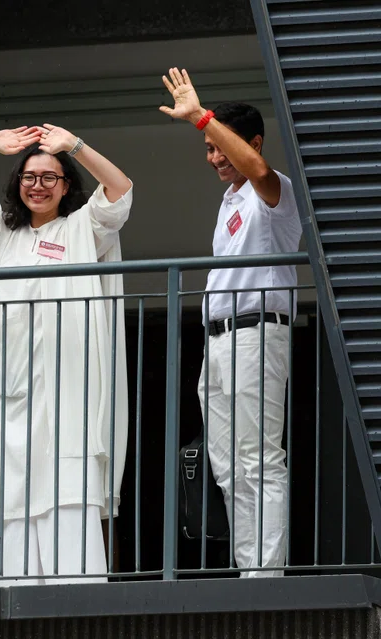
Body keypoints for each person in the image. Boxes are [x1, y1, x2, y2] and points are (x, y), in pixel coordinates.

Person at [0, 124, 133, 585]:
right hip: (7, 394)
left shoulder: (84, 227)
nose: (38, 186)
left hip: (65, 392)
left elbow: (120, 189)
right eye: (29, 177)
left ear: (66, 187)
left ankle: (78, 598)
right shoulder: (1, 234)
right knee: (12, 495)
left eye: (50, 177)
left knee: (69, 491)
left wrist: (76, 147)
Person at [160, 67, 301, 577]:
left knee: (258, 458)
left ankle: (266, 575)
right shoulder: (228, 202)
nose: (213, 157)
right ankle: (249, 573)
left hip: (259, 330)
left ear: (253, 143)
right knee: (226, 467)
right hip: (218, 341)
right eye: (209, 147)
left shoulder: (274, 190)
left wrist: (201, 117)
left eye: (222, 146)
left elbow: (259, 171)